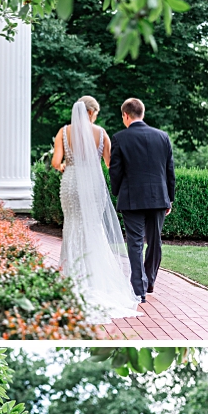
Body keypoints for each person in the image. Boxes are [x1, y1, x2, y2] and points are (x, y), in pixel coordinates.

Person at [52, 96, 141, 324]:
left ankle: (71, 281)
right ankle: (96, 280)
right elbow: (111, 164)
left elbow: (56, 162)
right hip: (93, 183)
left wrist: (64, 167)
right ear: (91, 113)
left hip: (71, 182)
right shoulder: (101, 133)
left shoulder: (64, 132)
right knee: (92, 227)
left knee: (71, 226)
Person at [107, 98, 177, 304]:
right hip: (158, 198)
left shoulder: (120, 138)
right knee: (155, 241)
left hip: (132, 199)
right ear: (142, 114)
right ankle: (150, 280)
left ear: (126, 115)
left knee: (136, 243)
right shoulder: (162, 137)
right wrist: (169, 199)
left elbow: (115, 170)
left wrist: (117, 191)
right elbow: (169, 171)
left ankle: (139, 289)